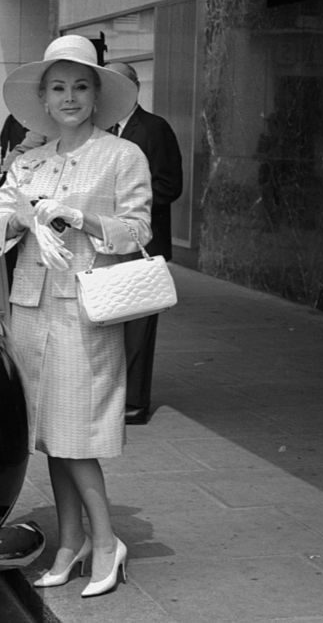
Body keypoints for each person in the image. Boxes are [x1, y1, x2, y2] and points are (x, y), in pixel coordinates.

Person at [0, 35, 151, 598]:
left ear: (96, 95)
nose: (70, 96)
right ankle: (69, 541)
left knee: (77, 432)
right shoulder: (27, 162)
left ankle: (106, 542)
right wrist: (26, 220)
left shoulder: (122, 156)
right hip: (31, 309)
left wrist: (81, 217)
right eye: (59, 88)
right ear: (45, 101)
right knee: (51, 434)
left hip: (87, 310)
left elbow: (138, 230)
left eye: (80, 85)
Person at [105, 62, 183, 426]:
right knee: (107, 327)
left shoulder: (155, 129)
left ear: (134, 88)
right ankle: (108, 399)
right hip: (104, 245)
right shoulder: (100, 130)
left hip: (143, 246)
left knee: (137, 330)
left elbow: (170, 186)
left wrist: (127, 203)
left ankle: (134, 405)